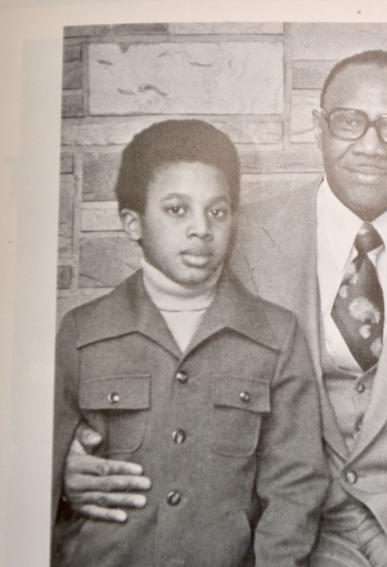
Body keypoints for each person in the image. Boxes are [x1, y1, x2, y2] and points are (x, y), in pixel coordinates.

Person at [60, 51, 387, 567]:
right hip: (285, 533)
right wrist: (68, 465)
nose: (370, 145)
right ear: (318, 127)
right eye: (349, 122)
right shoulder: (238, 235)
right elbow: (148, 343)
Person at [51, 119, 328, 566]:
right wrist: (62, 480)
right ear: (132, 222)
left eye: (217, 211)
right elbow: (32, 474)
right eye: (177, 210)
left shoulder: (276, 337)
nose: (202, 228)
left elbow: (295, 488)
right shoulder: (82, 333)